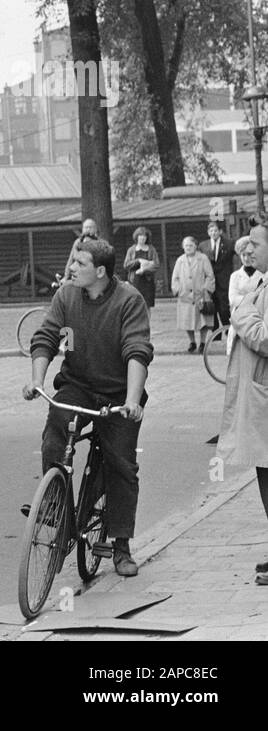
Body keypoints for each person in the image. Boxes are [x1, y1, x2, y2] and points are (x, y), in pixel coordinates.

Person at [23, 237, 152, 577]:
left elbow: (137, 350)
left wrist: (132, 401)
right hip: (77, 386)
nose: (71, 268)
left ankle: (121, 544)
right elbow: (47, 337)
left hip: (118, 393)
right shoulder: (66, 296)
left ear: (100, 271)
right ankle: (56, 507)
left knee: (121, 465)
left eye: (79, 264)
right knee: (56, 428)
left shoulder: (129, 300)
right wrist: (37, 380)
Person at [213, 224, 268, 584]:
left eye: (258, 242)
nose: (250, 247)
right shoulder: (261, 283)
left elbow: (264, 336)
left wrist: (242, 315)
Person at [171, 235, 216, 352]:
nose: (188, 247)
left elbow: (210, 275)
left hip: (200, 295)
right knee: (187, 320)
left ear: (196, 246)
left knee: (203, 321)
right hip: (185, 296)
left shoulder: (203, 258)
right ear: (183, 247)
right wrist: (178, 290)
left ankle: (202, 342)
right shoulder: (180, 260)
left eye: (191, 245)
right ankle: (192, 342)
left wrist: (206, 291)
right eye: (186, 245)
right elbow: (175, 278)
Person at [227, 236, 263, 356]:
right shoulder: (235, 276)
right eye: (243, 255)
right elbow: (233, 298)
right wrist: (252, 299)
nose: (247, 258)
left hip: (259, 315)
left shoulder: (263, 274)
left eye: (249, 254)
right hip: (240, 316)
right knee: (240, 350)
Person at [201, 221, 236, 336]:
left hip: (224, 281)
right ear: (208, 232)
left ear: (220, 231)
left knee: (224, 307)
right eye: (211, 231)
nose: (213, 233)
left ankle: (228, 330)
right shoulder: (203, 246)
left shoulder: (229, 243)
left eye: (215, 230)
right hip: (209, 281)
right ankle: (215, 334)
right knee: (212, 308)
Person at [122, 226, 159, 308]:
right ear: (136, 237)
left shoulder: (151, 249)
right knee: (135, 305)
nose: (142, 238)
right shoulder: (131, 250)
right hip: (134, 281)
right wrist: (138, 261)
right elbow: (126, 265)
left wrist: (145, 270)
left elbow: (156, 265)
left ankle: (147, 321)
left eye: (144, 236)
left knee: (147, 306)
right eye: (140, 236)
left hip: (148, 282)